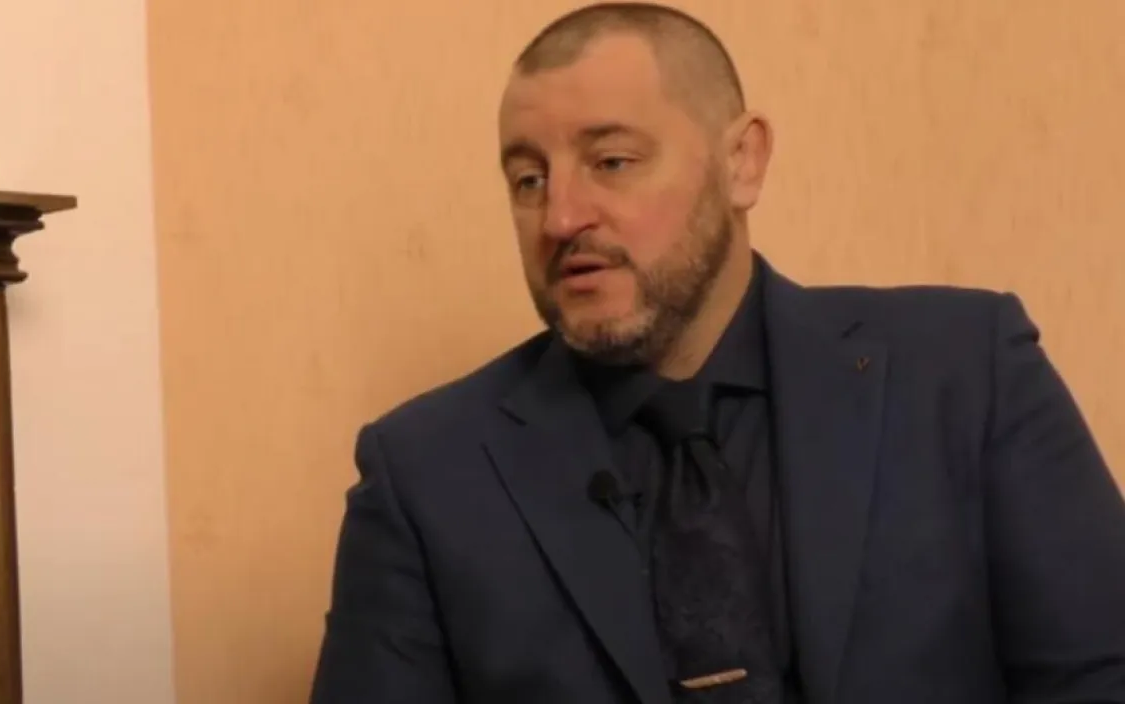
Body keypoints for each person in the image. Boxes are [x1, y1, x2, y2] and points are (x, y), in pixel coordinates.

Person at [309, 3, 1125, 703]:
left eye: (611, 162)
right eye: (528, 179)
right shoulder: (426, 475)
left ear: (742, 162)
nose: (560, 217)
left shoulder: (966, 372)